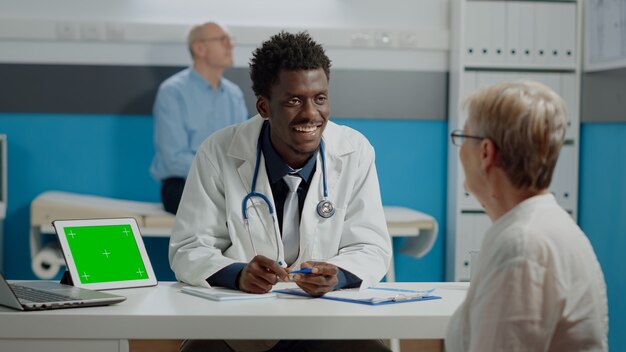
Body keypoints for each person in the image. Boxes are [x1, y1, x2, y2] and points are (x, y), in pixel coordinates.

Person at [169, 31, 392, 352]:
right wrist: (237, 274)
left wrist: (339, 275)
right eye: (293, 101)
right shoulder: (219, 151)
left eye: (320, 98)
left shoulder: (354, 150)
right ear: (264, 106)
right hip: (242, 324)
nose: (311, 114)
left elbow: (371, 246)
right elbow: (189, 247)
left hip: (329, 321)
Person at [445, 81, 608, 351]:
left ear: (486, 152)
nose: (460, 149)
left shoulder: (521, 246)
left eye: (464, 137)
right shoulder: (541, 226)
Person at [150, 22, 248, 214]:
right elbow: (173, 159)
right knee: (230, 207)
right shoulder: (173, 92)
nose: (231, 45)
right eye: (223, 40)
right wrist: (222, 174)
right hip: (184, 185)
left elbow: (243, 148)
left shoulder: (234, 94)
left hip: (228, 183)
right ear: (199, 48)